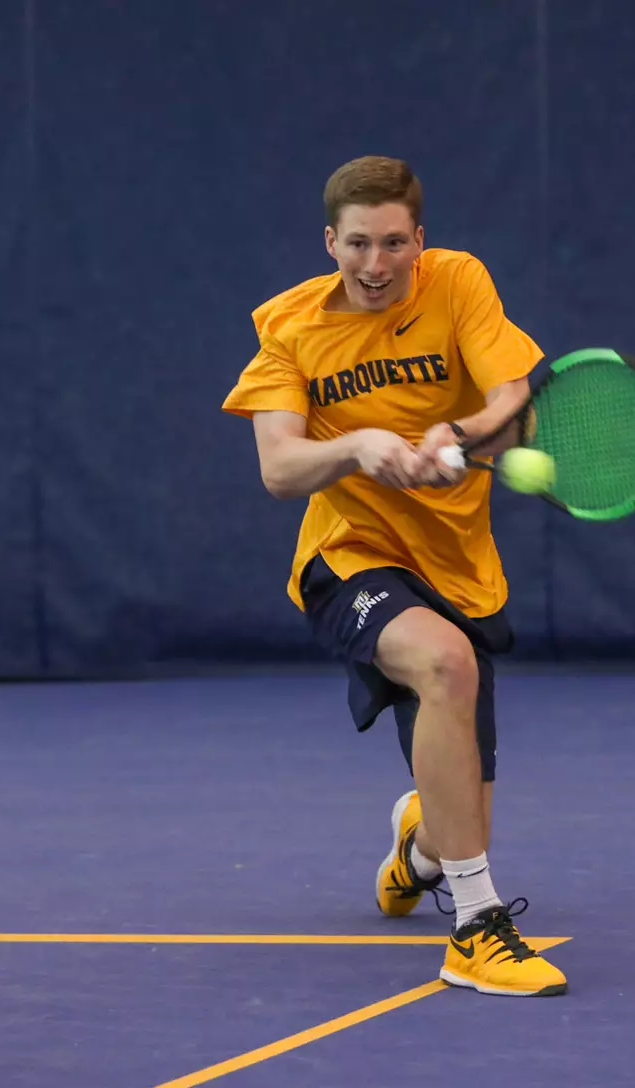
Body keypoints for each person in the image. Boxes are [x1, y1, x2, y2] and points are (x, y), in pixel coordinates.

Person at [221, 156, 567, 997]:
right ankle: (478, 932)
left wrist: (462, 433)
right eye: (359, 244)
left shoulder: (456, 284)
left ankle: (418, 849)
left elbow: (511, 399)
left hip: (459, 567)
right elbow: (278, 466)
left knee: (459, 815)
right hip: (348, 557)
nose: (376, 266)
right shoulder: (291, 326)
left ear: (420, 240)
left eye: (394, 244)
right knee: (445, 662)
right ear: (330, 241)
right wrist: (358, 446)